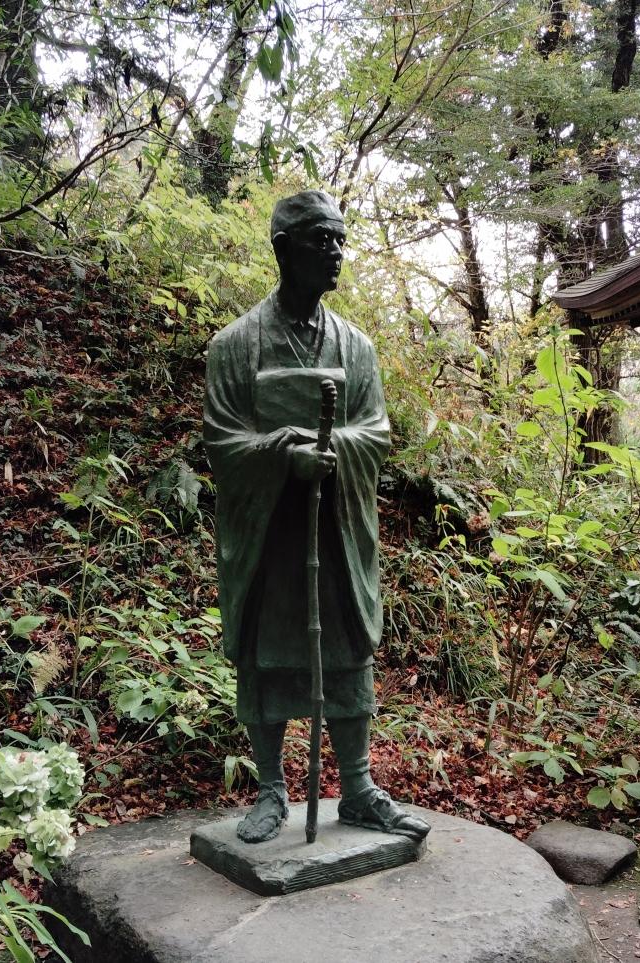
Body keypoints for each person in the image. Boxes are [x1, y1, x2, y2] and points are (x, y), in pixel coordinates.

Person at [203, 190, 430, 845]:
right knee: (267, 655)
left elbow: (376, 431)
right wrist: (283, 454)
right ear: (283, 249)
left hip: (335, 530)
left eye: (340, 240)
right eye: (320, 240)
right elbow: (223, 441)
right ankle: (270, 789)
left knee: (347, 651)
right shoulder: (235, 345)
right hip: (270, 536)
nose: (335, 252)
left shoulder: (356, 347)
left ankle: (357, 787)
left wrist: (331, 453)